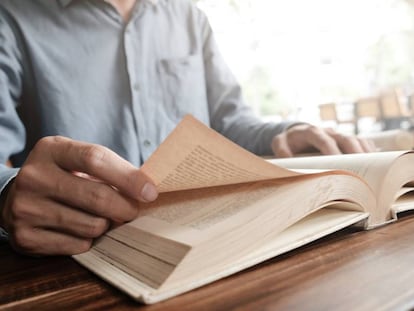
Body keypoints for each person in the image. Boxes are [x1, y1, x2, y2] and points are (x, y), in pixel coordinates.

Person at [0, 0, 375, 256]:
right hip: (84, 256)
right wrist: (6, 198)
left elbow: (229, 123)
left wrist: (286, 134)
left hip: (210, 243)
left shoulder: (188, 16)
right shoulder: (12, 17)